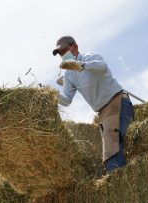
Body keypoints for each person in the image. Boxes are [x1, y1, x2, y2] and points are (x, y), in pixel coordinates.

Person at [52, 35, 134, 172]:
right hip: (103, 113)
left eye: (64, 51)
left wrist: (81, 66)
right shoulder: (69, 75)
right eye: (60, 54)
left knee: (112, 151)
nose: (62, 56)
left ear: (75, 47)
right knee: (111, 151)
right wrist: (51, 95)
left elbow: (102, 66)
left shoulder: (89, 57)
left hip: (117, 103)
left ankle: (117, 180)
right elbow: (66, 100)